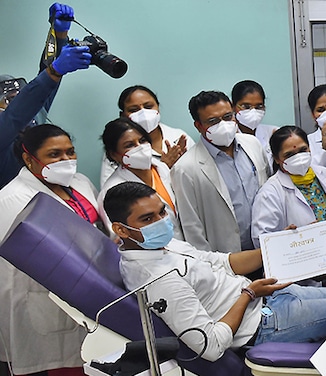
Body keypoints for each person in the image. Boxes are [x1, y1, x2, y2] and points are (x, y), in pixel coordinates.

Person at [104, 181, 326, 362]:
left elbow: (221, 262)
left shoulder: (164, 246)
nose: (161, 221)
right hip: (263, 326)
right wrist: (248, 294)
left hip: (268, 300)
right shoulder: (159, 280)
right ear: (121, 229)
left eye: (162, 212)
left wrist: (274, 248)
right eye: (147, 219)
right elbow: (209, 346)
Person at [0, 125, 132, 376]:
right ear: (29, 158)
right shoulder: (11, 199)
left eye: (69, 151)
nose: (66, 160)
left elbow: (96, 229)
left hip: (80, 297)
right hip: (32, 302)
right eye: (54, 154)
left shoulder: (81, 183)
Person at [0, 3, 91, 187]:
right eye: (9, 100)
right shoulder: (6, 130)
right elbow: (17, 115)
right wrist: (54, 71)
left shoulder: (35, 119)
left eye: (20, 96)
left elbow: (41, 89)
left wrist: (58, 36)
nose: (18, 102)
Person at [171, 90, 270, 253]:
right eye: (212, 121)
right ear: (199, 126)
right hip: (228, 258)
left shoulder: (253, 144)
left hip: (266, 246)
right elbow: (191, 226)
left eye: (227, 117)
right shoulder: (185, 168)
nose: (223, 125)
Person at [251, 126, 326, 250]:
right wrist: (293, 238)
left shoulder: (325, 175)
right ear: (277, 159)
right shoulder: (269, 193)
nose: (298, 157)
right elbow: (262, 242)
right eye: (289, 155)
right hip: (300, 260)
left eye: (303, 150)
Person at [98, 117, 182, 238]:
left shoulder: (160, 168)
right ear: (113, 155)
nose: (140, 147)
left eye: (142, 140)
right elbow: (122, 239)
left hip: (186, 248)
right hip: (155, 254)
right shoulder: (112, 191)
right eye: (130, 145)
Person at [99, 85, 195, 184]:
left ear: (158, 107)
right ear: (123, 115)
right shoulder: (119, 152)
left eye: (148, 107)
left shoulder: (179, 137)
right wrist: (163, 167)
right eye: (134, 110)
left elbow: (197, 176)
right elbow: (114, 192)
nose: (143, 113)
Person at [231, 79, 279, 168]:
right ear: (233, 106)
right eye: (246, 106)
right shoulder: (228, 136)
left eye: (259, 106)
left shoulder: (274, 133)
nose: (253, 111)